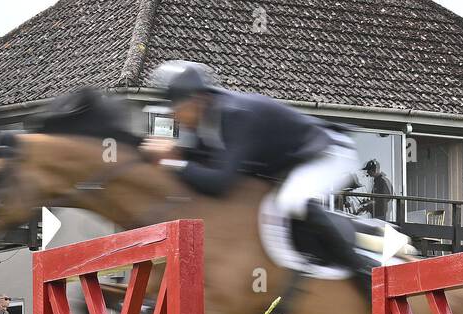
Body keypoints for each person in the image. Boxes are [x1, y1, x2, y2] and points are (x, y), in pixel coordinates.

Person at [141, 61, 360, 265]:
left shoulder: (235, 115)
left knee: (289, 202)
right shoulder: (206, 122)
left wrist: (171, 161)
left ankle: (360, 269)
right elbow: (201, 166)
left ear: (197, 100)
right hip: (293, 164)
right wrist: (174, 156)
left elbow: (219, 183)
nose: (175, 116)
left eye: (177, 109)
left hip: (329, 154)